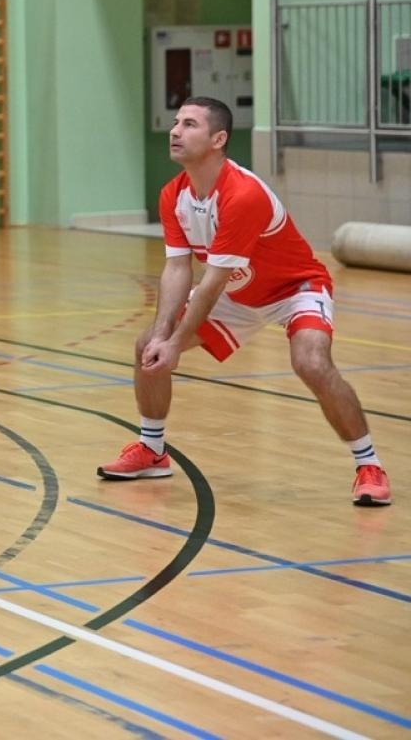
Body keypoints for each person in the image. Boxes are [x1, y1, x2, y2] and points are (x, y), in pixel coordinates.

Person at [98, 96, 391, 506]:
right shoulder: (173, 195)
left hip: (294, 289)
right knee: (147, 343)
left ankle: (369, 465)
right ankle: (152, 450)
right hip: (238, 294)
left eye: (189, 124)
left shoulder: (242, 194)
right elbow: (178, 271)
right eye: (176, 122)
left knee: (311, 363)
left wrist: (177, 342)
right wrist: (163, 336)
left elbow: (213, 280)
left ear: (218, 139)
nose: (175, 130)